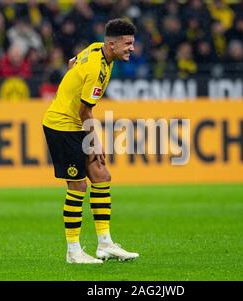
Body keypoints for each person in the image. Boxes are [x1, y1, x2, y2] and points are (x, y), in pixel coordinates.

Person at [42, 18, 139, 264]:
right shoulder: (97, 67)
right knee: (77, 187)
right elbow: (86, 111)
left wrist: (72, 80)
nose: (132, 48)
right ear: (113, 44)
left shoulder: (97, 49)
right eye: (128, 43)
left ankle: (105, 244)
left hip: (72, 123)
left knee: (101, 175)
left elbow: (72, 62)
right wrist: (95, 140)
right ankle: (73, 252)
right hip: (62, 126)